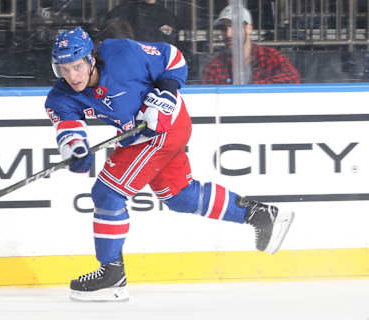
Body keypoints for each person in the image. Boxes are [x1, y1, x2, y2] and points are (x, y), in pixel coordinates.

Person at [45, 27, 295, 301]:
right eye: (63, 70)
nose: (72, 76)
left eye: (77, 66)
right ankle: (261, 214)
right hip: (143, 136)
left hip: (167, 124)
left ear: (91, 58)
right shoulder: (60, 97)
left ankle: (111, 276)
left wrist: (166, 94)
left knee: (107, 193)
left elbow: (173, 57)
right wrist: (77, 150)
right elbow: (69, 127)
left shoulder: (122, 53)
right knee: (180, 196)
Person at [201, 5, 300, 85]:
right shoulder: (214, 67)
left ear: (249, 28)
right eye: (223, 28)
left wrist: (250, 89)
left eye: (234, 26)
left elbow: (293, 79)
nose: (228, 34)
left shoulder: (271, 57)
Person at [101, 0, 178, 45]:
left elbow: (170, 40)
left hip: (155, 63)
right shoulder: (122, 11)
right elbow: (109, 36)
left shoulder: (166, 16)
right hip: (129, 59)